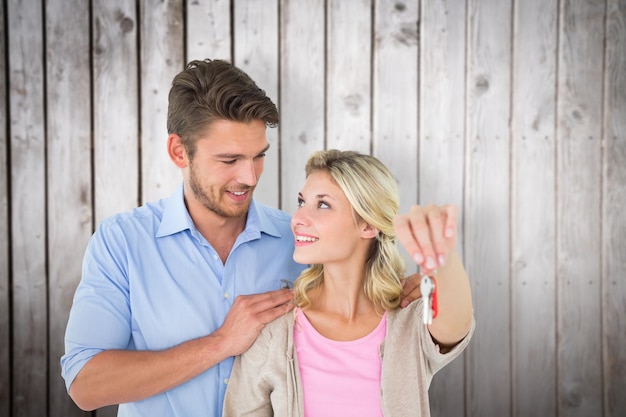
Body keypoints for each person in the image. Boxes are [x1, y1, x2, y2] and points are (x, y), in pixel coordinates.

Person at [60, 59, 450, 416]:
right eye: (229, 160)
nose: (249, 177)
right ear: (179, 151)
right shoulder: (123, 242)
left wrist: (402, 288)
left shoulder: (301, 241)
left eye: (258, 156)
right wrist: (221, 343)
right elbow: (85, 385)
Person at [223, 149, 475, 417]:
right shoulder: (275, 328)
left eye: (322, 204)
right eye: (301, 202)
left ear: (367, 225)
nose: (298, 219)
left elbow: (455, 327)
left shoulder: (407, 319)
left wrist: (442, 258)